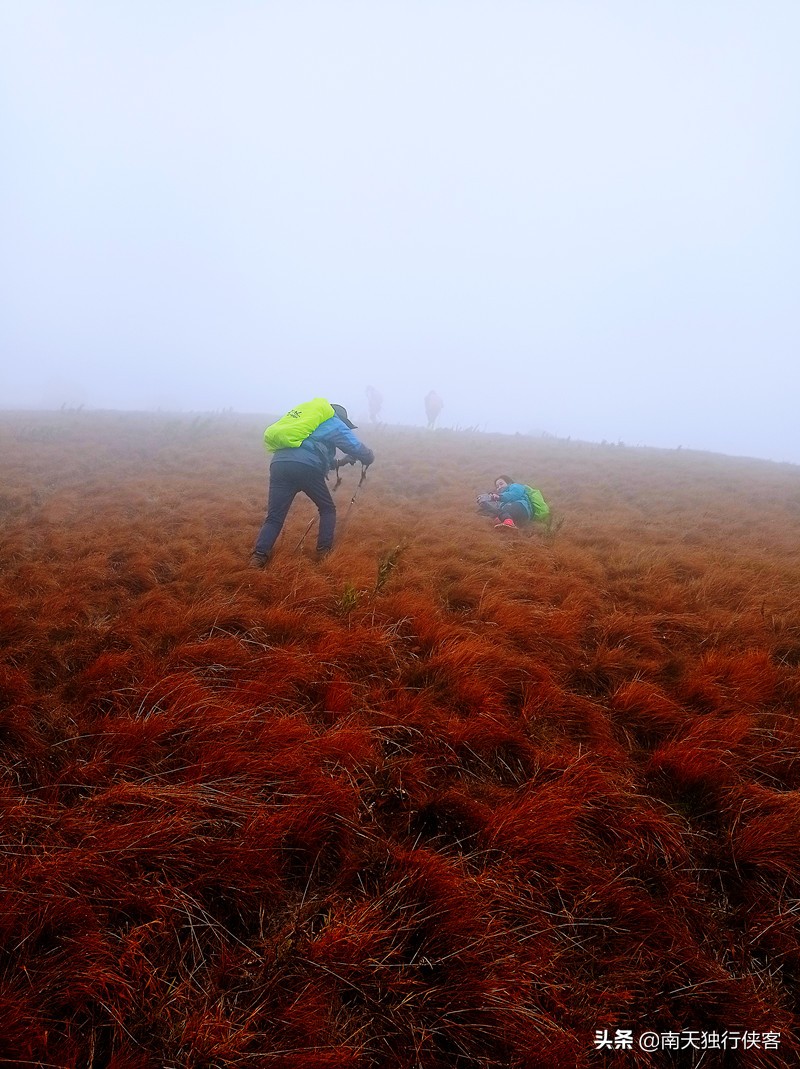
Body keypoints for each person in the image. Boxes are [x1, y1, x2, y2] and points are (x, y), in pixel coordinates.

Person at [250, 403, 374, 567]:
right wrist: (368, 457)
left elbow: (312, 453)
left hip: (280, 464)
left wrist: (342, 462)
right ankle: (323, 553)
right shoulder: (333, 422)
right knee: (327, 509)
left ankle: (258, 557)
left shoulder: (307, 424)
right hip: (307, 467)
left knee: (274, 517)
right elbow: (355, 447)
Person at [476, 475, 550, 530]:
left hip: (521, 507)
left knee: (505, 509)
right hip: (517, 514)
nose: (499, 487)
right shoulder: (501, 498)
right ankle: (508, 524)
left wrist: (498, 497)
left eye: (501, 484)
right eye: (497, 486)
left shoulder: (515, 486)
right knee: (494, 511)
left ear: (509, 482)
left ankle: (508, 522)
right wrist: (485, 504)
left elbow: (514, 494)